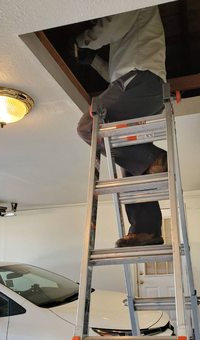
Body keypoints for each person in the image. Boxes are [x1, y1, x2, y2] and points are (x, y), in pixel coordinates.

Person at [74, 6, 168, 247]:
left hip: (141, 81)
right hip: (143, 86)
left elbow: (111, 28)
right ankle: (145, 230)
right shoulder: (135, 43)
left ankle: (154, 158)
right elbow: (114, 75)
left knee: (88, 127)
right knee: (133, 165)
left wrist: (81, 41)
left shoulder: (132, 3)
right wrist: (93, 59)